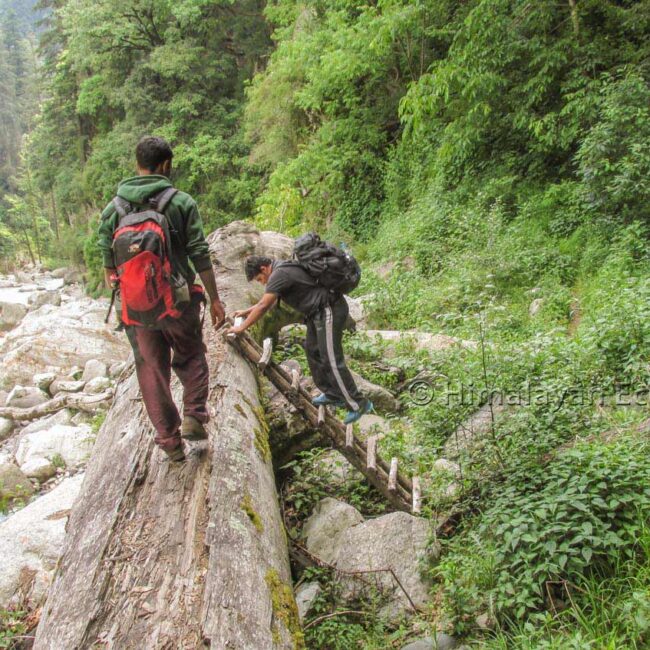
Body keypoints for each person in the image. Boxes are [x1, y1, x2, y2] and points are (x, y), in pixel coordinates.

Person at [98, 136, 225, 462]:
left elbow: (108, 267)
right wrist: (215, 300)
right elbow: (199, 251)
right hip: (179, 301)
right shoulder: (181, 202)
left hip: (137, 311)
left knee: (151, 370)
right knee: (191, 353)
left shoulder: (114, 209)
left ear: (138, 164)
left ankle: (169, 441)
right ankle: (194, 415)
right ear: (166, 164)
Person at [227, 255, 372, 424]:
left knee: (331, 359)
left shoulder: (279, 273)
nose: (262, 283)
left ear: (264, 269)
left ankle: (358, 404)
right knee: (312, 351)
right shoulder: (281, 270)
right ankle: (333, 394)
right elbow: (269, 301)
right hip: (316, 314)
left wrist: (241, 327)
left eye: (260, 279)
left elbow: (263, 306)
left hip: (329, 309)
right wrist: (246, 312)